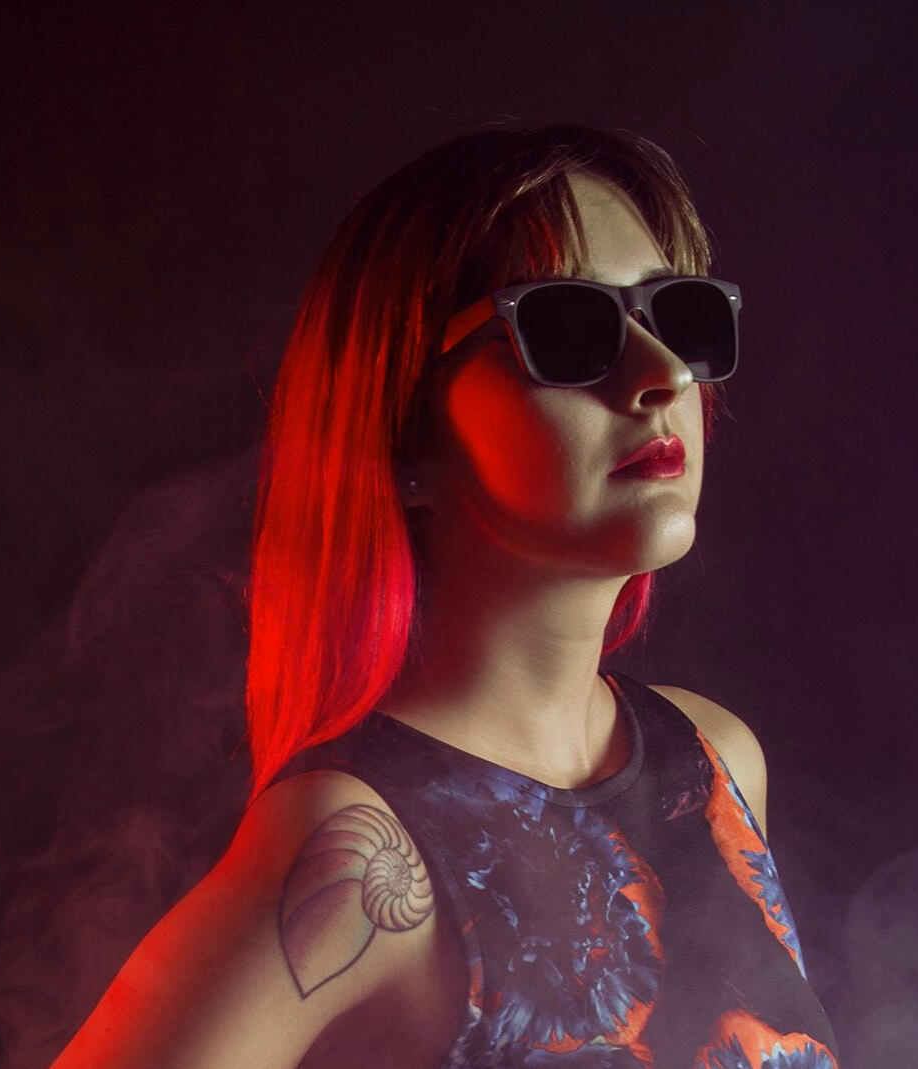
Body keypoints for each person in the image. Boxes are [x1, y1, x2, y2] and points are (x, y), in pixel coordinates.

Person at [52, 125, 839, 1068]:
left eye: (679, 316)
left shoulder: (713, 760)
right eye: (566, 328)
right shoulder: (359, 852)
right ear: (406, 441)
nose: (662, 373)